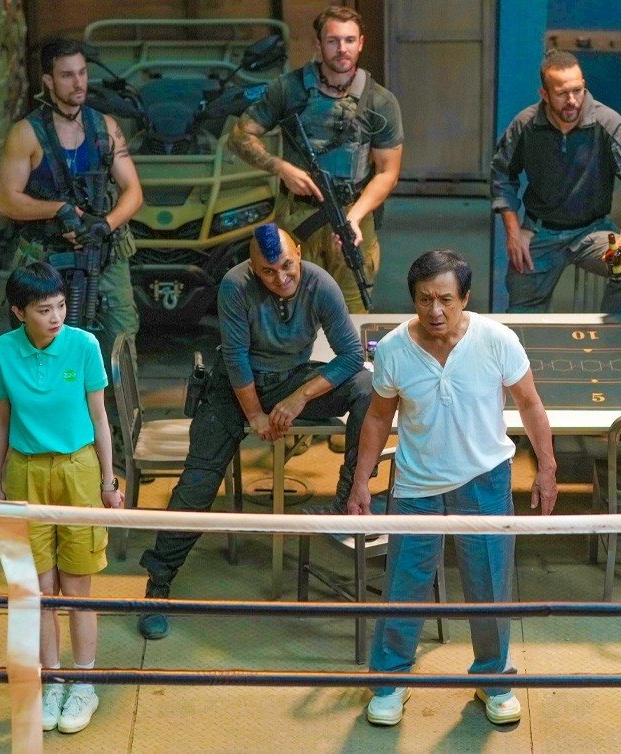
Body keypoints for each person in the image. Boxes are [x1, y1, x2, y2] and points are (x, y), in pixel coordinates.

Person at [346, 249, 557, 727]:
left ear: (465, 298)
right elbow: (378, 417)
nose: (435, 310)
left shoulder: (497, 340)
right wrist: (361, 480)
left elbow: (529, 403)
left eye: (445, 299)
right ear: (413, 299)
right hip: (416, 484)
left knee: (489, 585)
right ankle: (389, 682)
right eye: (425, 299)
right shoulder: (394, 349)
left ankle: (495, 680)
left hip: (485, 479)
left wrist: (547, 467)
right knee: (404, 586)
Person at [137, 222, 372, 638]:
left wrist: (299, 397)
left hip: (291, 379)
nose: (280, 279)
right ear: (252, 266)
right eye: (268, 271)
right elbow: (237, 358)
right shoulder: (235, 285)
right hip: (234, 386)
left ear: (298, 254)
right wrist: (256, 415)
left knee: (367, 389)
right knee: (197, 485)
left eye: (287, 267)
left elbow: (352, 355)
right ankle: (158, 583)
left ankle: (345, 500)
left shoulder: (320, 284)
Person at [0, 262, 124, 734]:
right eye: (44, 310)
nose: (56, 317)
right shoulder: (2, 352)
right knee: (41, 591)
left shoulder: (84, 346)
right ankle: (53, 681)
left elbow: (100, 418)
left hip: (78, 470)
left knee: (78, 587)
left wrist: (108, 481)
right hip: (25, 473)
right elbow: (1, 420)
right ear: (18, 312)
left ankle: (85, 683)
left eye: (61, 306)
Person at [229, 5, 403, 314]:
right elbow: (240, 136)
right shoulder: (289, 89)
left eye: (349, 40)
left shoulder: (379, 101)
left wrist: (354, 217)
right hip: (298, 215)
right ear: (319, 43)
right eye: (333, 40)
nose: (342, 49)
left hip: (351, 214)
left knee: (352, 311)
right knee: (291, 308)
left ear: (361, 44)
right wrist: (280, 167)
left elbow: (387, 172)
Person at [0, 37, 144, 369]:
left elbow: (133, 191)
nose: (79, 83)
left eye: (82, 73)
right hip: (48, 255)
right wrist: (58, 209)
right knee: (42, 347)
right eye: (67, 75)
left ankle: (112, 403)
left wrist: (105, 224)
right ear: (48, 80)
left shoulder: (106, 127)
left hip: (104, 253)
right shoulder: (26, 134)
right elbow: (7, 201)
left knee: (120, 341)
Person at [491, 49, 621, 322]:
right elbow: (502, 175)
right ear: (544, 94)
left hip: (593, 230)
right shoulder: (525, 125)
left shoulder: (608, 123)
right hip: (540, 231)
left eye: (577, 91)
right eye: (561, 94)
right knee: (522, 321)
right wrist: (513, 232)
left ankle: (615, 335)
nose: (572, 101)